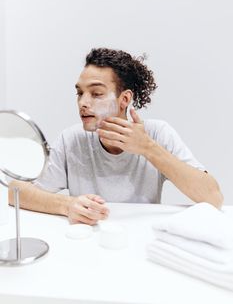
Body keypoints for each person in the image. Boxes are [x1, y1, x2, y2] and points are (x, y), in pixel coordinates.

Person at [9, 48, 223, 225]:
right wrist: (67, 205)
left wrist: (148, 148)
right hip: (87, 244)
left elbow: (213, 198)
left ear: (124, 99)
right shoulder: (72, 140)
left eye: (96, 93)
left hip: (143, 240)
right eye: (79, 93)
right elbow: (16, 192)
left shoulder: (157, 134)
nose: (83, 102)